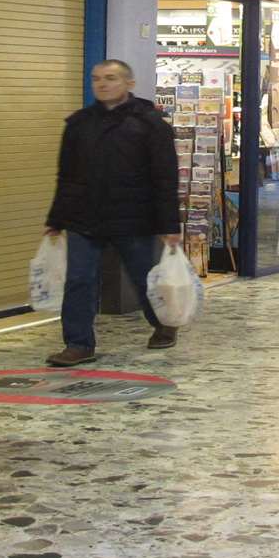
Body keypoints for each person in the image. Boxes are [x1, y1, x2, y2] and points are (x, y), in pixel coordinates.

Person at [46, 60, 184, 364]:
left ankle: (163, 322)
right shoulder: (79, 124)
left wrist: (169, 224)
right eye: (97, 79)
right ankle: (79, 344)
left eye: (110, 78)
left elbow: (165, 178)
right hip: (85, 217)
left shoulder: (150, 124)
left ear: (129, 83)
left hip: (134, 217)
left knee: (142, 277)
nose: (102, 84)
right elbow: (66, 175)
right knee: (79, 279)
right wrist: (56, 218)